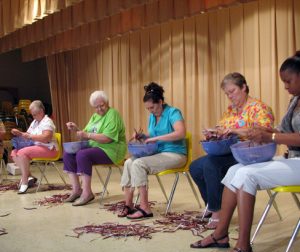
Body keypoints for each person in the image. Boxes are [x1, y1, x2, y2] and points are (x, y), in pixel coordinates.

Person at [190, 51, 300, 252]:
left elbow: (277, 134)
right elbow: (281, 130)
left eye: (288, 81)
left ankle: (244, 248)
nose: (285, 86)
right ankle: (221, 234)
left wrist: (270, 135)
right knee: (234, 170)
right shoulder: (294, 100)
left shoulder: (262, 106)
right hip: (293, 158)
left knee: (247, 174)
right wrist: (260, 132)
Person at [189, 73, 274, 229]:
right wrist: (214, 132)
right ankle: (212, 203)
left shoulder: (259, 108)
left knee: (211, 164)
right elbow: (223, 128)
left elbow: (265, 131)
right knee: (195, 167)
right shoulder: (231, 110)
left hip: (251, 153)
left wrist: (234, 130)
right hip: (231, 151)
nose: (229, 96)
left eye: (232, 91)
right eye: (227, 93)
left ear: (244, 87)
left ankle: (217, 212)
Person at [118, 82, 187, 219]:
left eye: (152, 107)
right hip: (160, 153)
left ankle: (145, 208)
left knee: (138, 164)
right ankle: (129, 204)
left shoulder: (173, 112)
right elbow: (153, 134)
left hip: (176, 154)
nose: (151, 111)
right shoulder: (152, 116)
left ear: (160, 102)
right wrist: (143, 136)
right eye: (148, 108)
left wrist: (156, 138)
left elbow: (181, 133)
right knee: (128, 163)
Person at [63, 90, 127, 206]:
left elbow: (107, 139)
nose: (99, 109)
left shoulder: (113, 114)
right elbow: (86, 135)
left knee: (83, 155)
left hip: (112, 150)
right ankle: (77, 189)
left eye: (101, 105)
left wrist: (87, 135)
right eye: (96, 107)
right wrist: (77, 129)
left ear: (107, 103)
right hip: (96, 148)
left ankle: (87, 193)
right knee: (68, 153)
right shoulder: (95, 116)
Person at [11, 100, 59, 194]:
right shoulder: (35, 122)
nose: (33, 117)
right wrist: (20, 133)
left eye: (34, 114)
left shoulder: (47, 121)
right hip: (37, 147)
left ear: (41, 111)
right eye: (32, 114)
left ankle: (24, 180)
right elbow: (28, 135)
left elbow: (46, 138)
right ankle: (29, 176)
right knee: (14, 153)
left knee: (22, 153)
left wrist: (29, 136)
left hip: (49, 149)